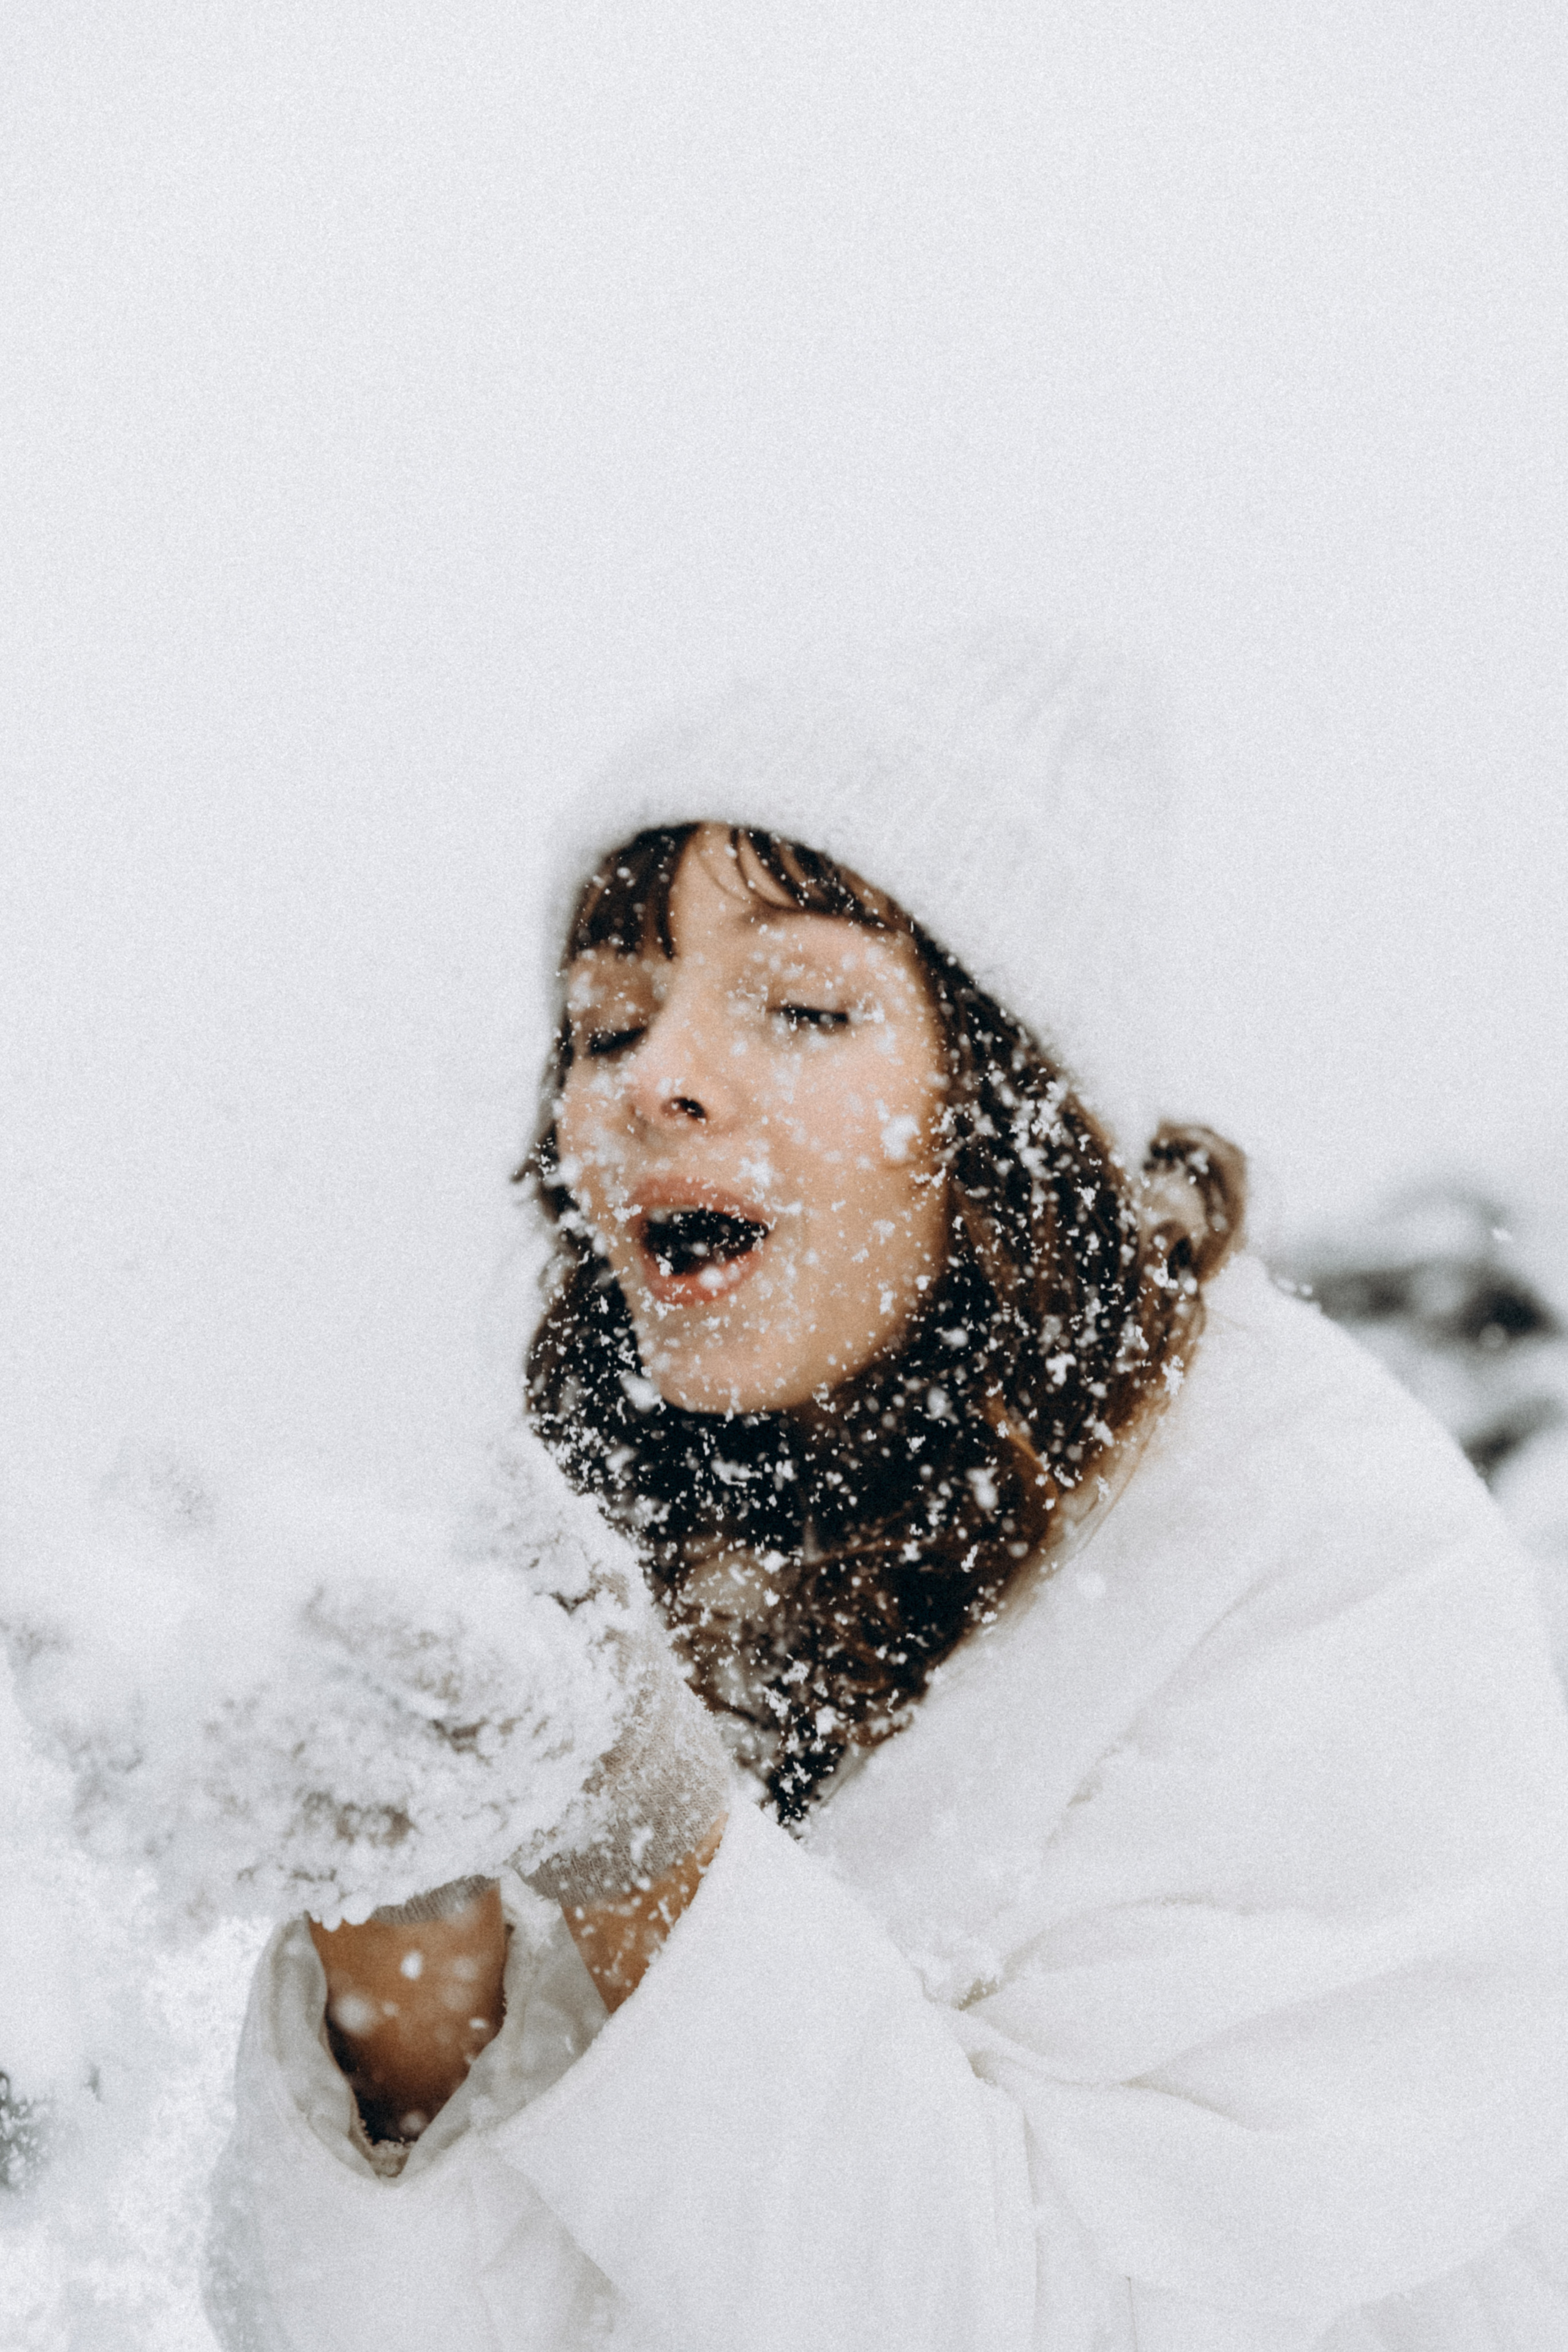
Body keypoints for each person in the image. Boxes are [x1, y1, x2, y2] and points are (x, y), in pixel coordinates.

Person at [208, 629, 1568, 2352]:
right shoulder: (656, 1577)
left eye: (801, 1005)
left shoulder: (1330, 1562)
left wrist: (654, 1856)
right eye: (610, 1022)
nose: (652, 1080)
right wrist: (404, 1984)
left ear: (1014, 1108)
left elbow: (1089, 2314)